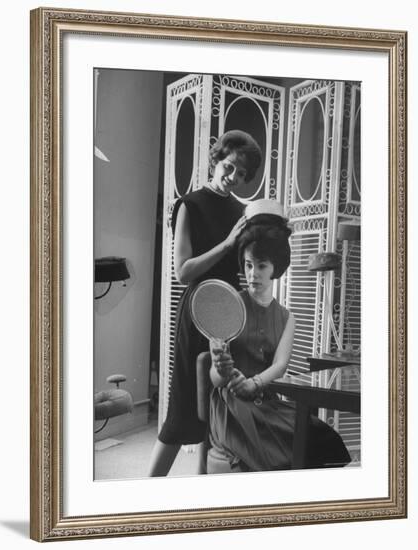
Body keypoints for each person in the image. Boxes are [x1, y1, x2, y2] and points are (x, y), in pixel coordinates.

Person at [148, 130, 263, 476]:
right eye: (229, 167)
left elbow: (251, 265)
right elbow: (183, 271)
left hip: (231, 315)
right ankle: (145, 489)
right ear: (216, 160)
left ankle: (202, 486)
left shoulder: (243, 211)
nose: (233, 178)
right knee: (184, 407)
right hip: (198, 311)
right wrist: (229, 244)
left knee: (218, 405)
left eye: (242, 175)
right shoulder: (190, 205)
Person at [207, 204, 351, 473]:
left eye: (261, 266)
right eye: (249, 265)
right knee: (277, 454)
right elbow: (214, 380)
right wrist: (220, 368)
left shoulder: (287, 318)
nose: (253, 274)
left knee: (320, 436)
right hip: (232, 404)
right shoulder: (227, 306)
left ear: (276, 268)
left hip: (267, 399)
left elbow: (280, 365)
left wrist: (255, 384)